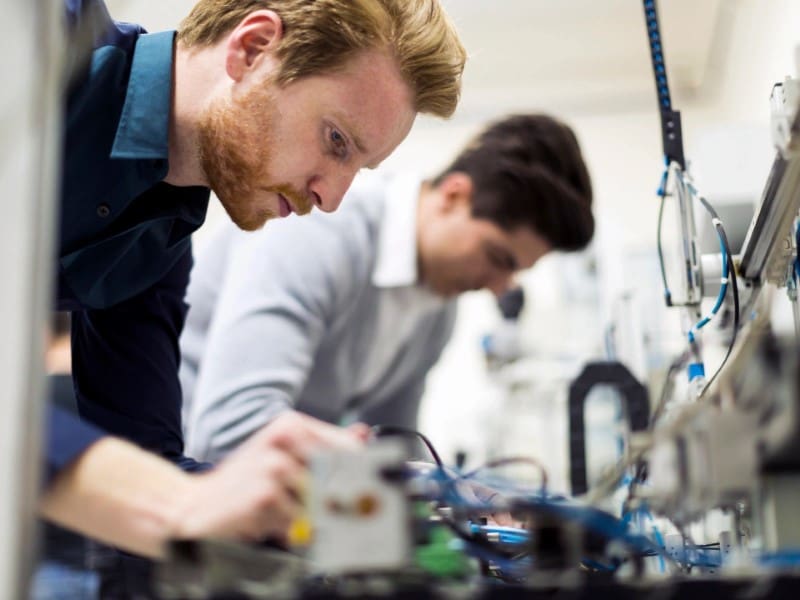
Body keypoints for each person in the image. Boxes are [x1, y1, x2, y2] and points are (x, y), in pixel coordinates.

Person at [41, 0, 465, 561]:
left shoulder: (158, 244)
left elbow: (146, 463)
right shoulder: (42, 34)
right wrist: (167, 501)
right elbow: (158, 496)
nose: (331, 198)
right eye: (336, 141)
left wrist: (366, 503)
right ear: (253, 48)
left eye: (356, 169)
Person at [180, 114, 594, 462]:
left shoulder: (437, 308)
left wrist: (458, 496)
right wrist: (402, 479)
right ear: (454, 195)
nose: (500, 287)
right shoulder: (321, 229)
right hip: (167, 493)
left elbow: (396, 445)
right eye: (498, 258)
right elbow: (229, 431)